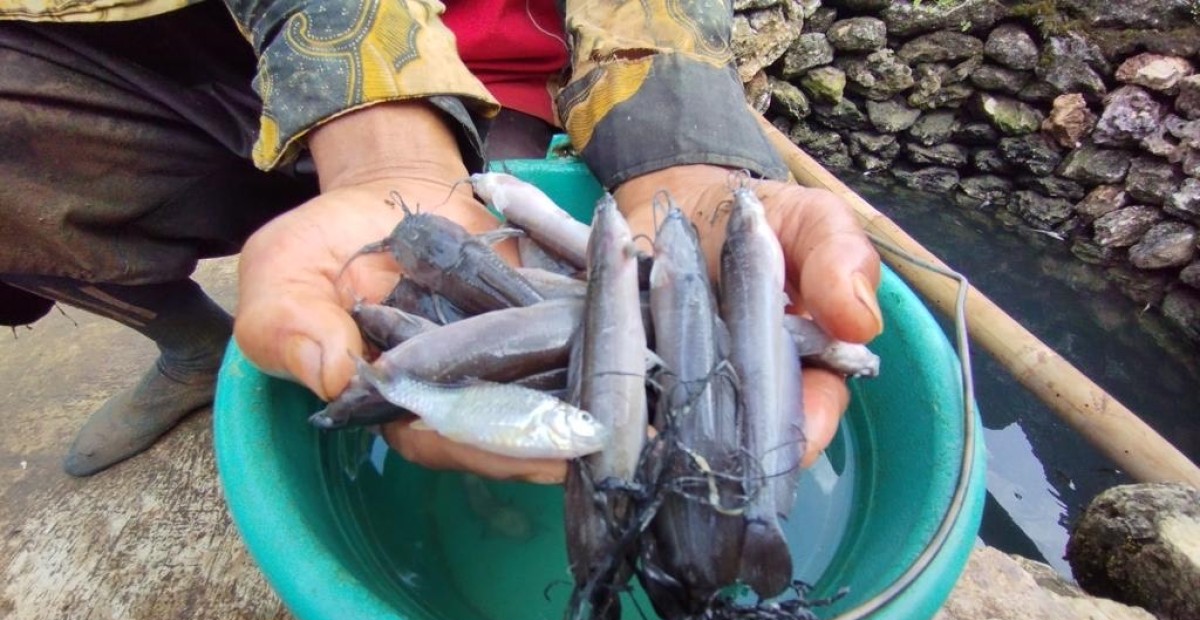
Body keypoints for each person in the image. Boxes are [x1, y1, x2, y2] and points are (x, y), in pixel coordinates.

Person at [0, 0, 882, 481]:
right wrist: (376, 141)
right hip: (191, 36)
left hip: (496, 72)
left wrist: (684, 160)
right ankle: (193, 343)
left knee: (495, 265)